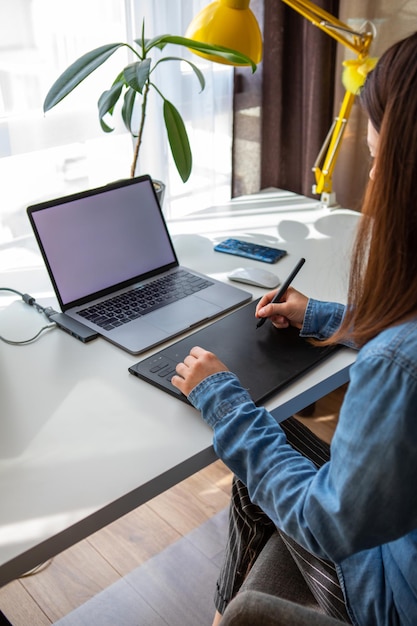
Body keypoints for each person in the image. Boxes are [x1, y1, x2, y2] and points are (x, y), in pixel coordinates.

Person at [172, 31, 417, 626]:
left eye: (380, 157)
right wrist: (324, 316)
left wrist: (223, 400)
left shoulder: (396, 366)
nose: (373, 175)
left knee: (258, 453)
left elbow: (325, 522)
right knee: (270, 451)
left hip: (388, 593)